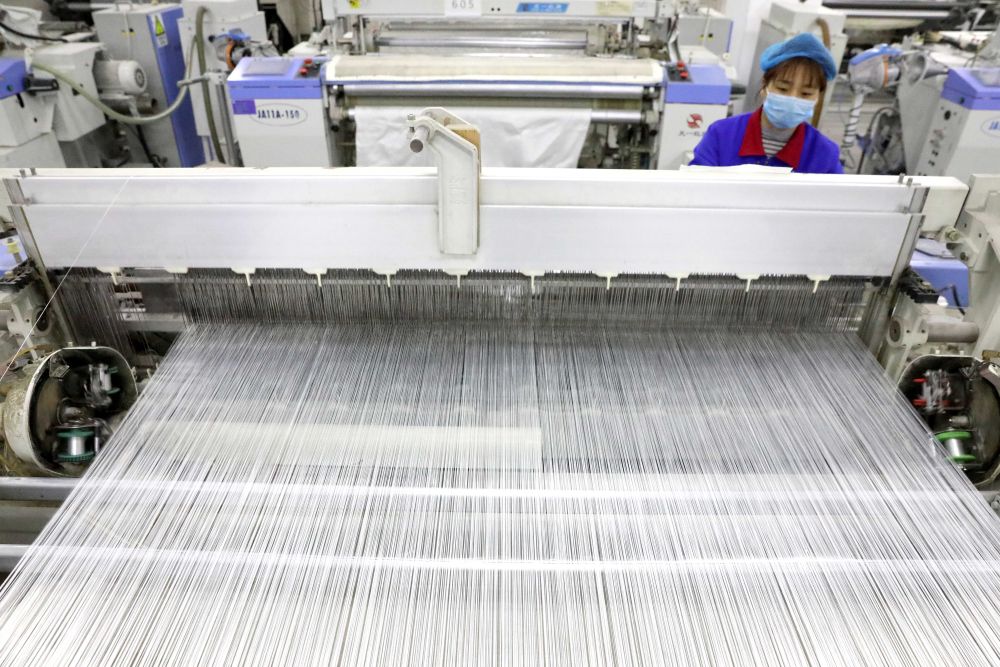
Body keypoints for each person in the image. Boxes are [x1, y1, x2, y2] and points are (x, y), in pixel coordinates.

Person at [690, 33, 843, 174]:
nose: (792, 99)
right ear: (765, 86)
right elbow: (694, 186)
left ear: (818, 97)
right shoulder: (722, 134)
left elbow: (838, 194)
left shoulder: (824, 154)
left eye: (806, 93)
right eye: (783, 89)